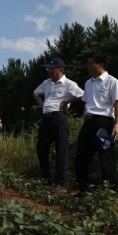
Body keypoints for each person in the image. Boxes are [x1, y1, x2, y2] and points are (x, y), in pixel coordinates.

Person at [33, 57, 84, 193]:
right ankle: (46, 177)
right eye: (48, 69)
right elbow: (35, 93)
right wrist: (43, 105)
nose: (48, 71)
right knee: (41, 148)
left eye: (51, 69)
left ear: (60, 70)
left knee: (61, 150)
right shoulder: (46, 83)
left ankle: (60, 182)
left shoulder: (69, 84)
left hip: (59, 118)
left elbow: (82, 95)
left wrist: (67, 101)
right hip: (46, 118)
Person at [75, 52, 118, 195]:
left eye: (91, 63)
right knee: (82, 156)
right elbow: (86, 103)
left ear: (100, 65)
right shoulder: (88, 83)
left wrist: (117, 125)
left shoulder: (112, 81)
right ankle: (84, 189)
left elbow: (117, 104)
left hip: (104, 122)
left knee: (106, 156)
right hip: (89, 122)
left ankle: (109, 193)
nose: (88, 66)